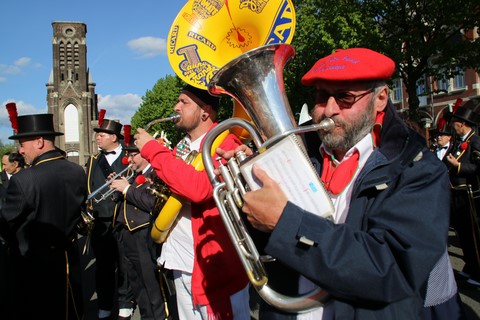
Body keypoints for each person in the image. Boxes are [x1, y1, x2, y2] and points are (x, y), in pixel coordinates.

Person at [217, 48, 454, 319]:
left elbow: (392, 268)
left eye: (345, 98)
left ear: (380, 99)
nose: (328, 110)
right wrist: (250, 184)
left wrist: (285, 221)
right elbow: (263, 247)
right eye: (321, 97)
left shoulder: (417, 168)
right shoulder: (296, 152)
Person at [134, 85, 250, 319]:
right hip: (182, 260)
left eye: (184, 102)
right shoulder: (182, 147)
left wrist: (152, 150)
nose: (176, 107)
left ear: (205, 112)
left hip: (213, 268)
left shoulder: (227, 143)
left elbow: (199, 189)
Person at [0, 113, 87, 319]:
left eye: (23, 143)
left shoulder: (24, 179)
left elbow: (5, 224)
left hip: (33, 268)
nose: (20, 150)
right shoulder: (77, 171)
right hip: (68, 261)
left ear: (39, 142)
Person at [109, 134, 168, 320]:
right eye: (128, 154)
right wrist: (116, 190)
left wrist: (127, 189)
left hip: (144, 237)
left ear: (144, 155)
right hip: (127, 237)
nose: (129, 159)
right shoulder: (134, 175)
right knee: (137, 287)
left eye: (133, 155)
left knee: (151, 289)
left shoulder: (156, 173)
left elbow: (152, 203)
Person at [85, 117, 135, 319]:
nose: (97, 138)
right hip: (100, 221)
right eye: (98, 134)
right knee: (103, 266)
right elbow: (87, 185)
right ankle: (105, 303)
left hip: (123, 218)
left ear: (114, 137)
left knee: (125, 264)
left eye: (101, 134)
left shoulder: (129, 157)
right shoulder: (93, 160)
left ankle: (125, 301)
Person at [446, 103, 480, 287]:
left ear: (462, 124)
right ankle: (471, 266)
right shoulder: (458, 143)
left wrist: (458, 166)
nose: (452, 125)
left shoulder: (475, 141)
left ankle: (478, 270)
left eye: (455, 123)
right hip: (457, 195)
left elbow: (478, 168)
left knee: (474, 235)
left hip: (470, 196)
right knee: (463, 234)